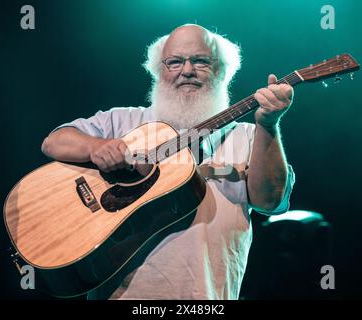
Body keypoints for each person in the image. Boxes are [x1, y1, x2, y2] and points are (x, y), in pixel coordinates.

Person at [41, 24, 295, 300]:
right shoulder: (122, 121)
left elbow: (269, 201)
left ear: (221, 71)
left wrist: (268, 126)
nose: (187, 70)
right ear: (158, 71)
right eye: (174, 62)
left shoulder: (250, 136)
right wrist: (97, 146)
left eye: (200, 61)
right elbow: (53, 142)